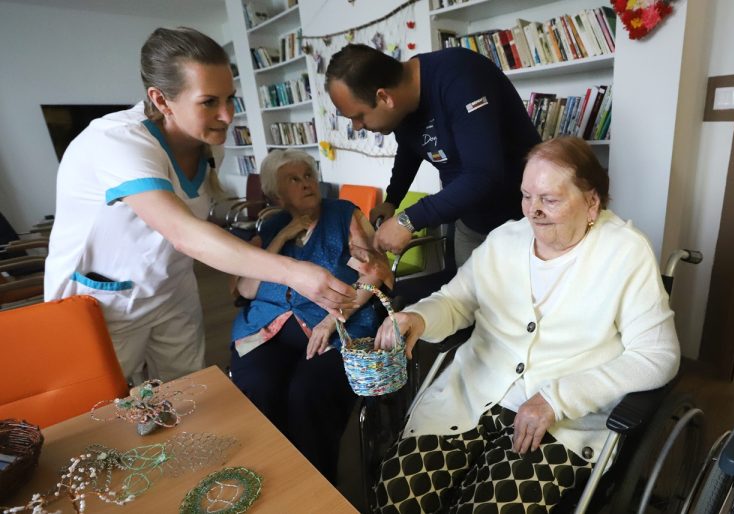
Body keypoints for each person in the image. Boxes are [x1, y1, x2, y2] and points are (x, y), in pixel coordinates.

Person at [372, 137, 681, 513]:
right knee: (396, 495)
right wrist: (418, 317)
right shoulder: (505, 240)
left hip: (561, 422)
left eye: (549, 199)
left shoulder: (625, 252)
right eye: (526, 196)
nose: (533, 211)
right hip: (473, 394)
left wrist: (558, 398)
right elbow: (455, 301)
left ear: (591, 203)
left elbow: (658, 355)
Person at [44, 27, 356, 385]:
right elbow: (183, 232)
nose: (227, 116)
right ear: (161, 100)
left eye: (230, 98)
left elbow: (197, 209)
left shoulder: (209, 145)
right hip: (105, 300)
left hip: (171, 290)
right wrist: (292, 272)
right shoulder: (116, 142)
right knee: (100, 404)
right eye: (209, 102)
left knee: (187, 392)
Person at [229, 149, 391, 483]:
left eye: (308, 176)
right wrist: (282, 237)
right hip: (267, 326)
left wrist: (334, 316)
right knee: (259, 387)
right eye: (294, 179)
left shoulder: (343, 215)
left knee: (308, 393)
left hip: (334, 329)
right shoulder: (271, 225)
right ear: (276, 193)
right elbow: (245, 288)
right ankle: (270, 475)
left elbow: (376, 272)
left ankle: (314, 485)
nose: (306, 184)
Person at [326, 44, 542, 268]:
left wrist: (407, 221)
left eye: (359, 116)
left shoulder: (460, 76)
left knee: (520, 301)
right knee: (468, 300)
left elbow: (483, 174)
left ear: (384, 97)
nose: (357, 126)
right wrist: (392, 200)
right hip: (472, 223)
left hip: (524, 222)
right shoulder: (403, 104)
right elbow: (409, 148)